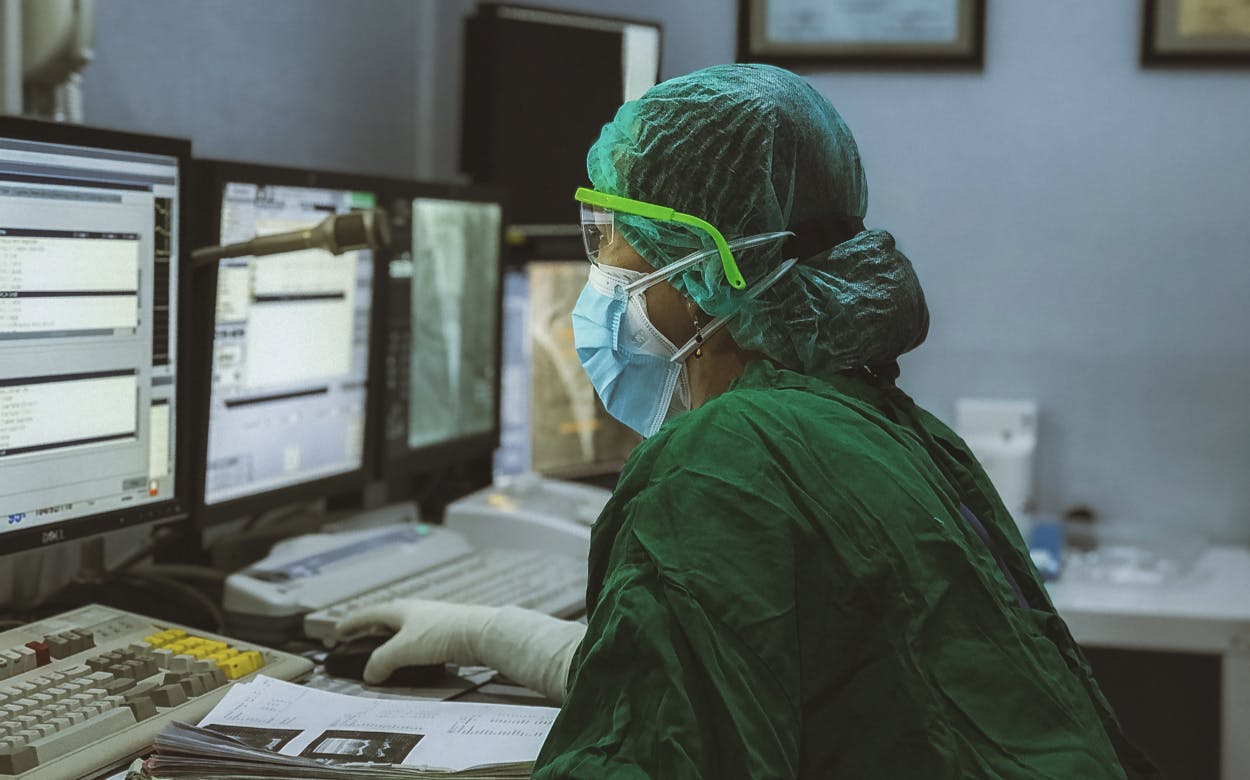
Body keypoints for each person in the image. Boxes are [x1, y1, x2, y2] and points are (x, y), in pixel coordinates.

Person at [338, 64, 1157, 778]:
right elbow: (742, 677)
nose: (598, 271)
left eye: (610, 237)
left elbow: (653, 751)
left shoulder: (723, 461)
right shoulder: (893, 428)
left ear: (699, 275)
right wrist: (490, 632)